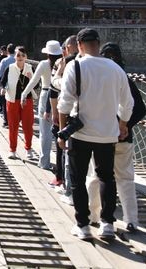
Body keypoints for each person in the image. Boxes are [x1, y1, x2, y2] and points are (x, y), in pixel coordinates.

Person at [57, 28, 133, 241]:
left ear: (79, 45)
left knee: (78, 180)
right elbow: (127, 103)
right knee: (107, 177)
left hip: (80, 133)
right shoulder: (115, 69)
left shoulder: (75, 66)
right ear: (98, 44)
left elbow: (65, 103)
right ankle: (107, 223)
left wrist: (62, 133)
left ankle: (83, 225)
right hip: (108, 134)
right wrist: (123, 124)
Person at [87, 42, 146, 234]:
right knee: (125, 179)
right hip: (123, 138)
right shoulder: (124, 78)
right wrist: (125, 126)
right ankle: (131, 220)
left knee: (95, 176)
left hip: (101, 135)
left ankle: (93, 215)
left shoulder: (97, 77)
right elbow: (140, 109)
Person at [22, 39, 62, 168]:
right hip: (60, 96)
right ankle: (61, 165)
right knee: (60, 130)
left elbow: (34, 81)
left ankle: (44, 162)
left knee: (45, 131)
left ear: (48, 53)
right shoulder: (64, 64)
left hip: (45, 95)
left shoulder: (44, 64)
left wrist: (24, 94)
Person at [49, 35, 78, 200]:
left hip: (69, 116)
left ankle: (68, 189)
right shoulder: (100, 66)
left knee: (67, 154)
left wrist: (55, 114)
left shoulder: (67, 64)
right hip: (90, 120)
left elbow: (55, 88)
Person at [1, 46, 37, 159]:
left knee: (28, 125)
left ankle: (28, 148)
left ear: (26, 57)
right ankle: (12, 149)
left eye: (22, 55)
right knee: (13, 125)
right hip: (12, 100)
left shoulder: (30, 68)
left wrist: (31, 78)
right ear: (15, 56)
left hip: (27, 99)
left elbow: (37, 86)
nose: (20, 57)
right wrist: (3, 88)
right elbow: (2, 82)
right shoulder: (10, 68)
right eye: (18, 55)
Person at [0, 43, 15, 126]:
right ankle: (15, 120)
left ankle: (6, 121)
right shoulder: (18, 60)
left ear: (7, 51)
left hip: (6, 84)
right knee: (15, 102)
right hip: (16, 84)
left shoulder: (5, 61)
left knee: (5, 102)